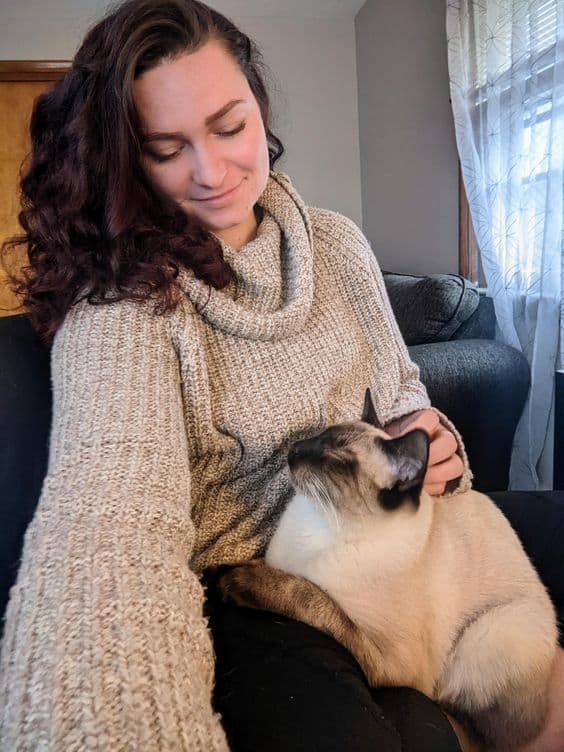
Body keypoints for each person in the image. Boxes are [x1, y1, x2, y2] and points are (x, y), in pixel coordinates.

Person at [0, 1, 562, 750]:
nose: (211, 172)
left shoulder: (335, 243)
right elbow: (107, 538)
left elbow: (402, 399)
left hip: (384, 537)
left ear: (260, 110)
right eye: (167, 148)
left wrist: (435, 443)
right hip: (261, 589)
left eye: (230, 128)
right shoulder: (122, 307)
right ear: (128, 158)